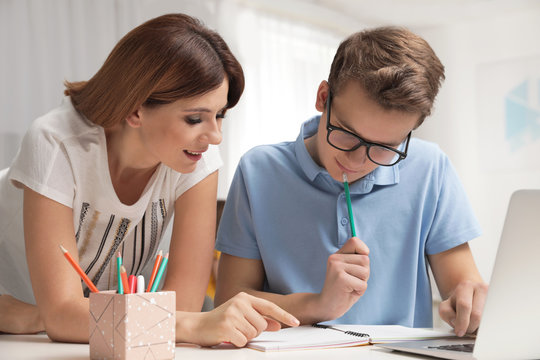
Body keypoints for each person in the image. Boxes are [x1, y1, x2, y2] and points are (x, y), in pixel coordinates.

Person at [0, 13, 299, 346]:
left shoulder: (196, 157)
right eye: (195, 118)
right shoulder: (55, 143)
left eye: (220, 115)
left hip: (77, 332)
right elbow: (62, 317)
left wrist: (75, 315)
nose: (215, 136)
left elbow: (181, 306)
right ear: (135, 110)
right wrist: (177, 322)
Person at [215, 26, 488, 337]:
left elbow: (462, 288)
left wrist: (470, 303)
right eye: (347, 135)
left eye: (385, 148)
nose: (357, 162)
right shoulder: (259, 171)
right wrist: (320, 305)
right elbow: (230, 301)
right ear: (323, 98)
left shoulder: (430, 167)